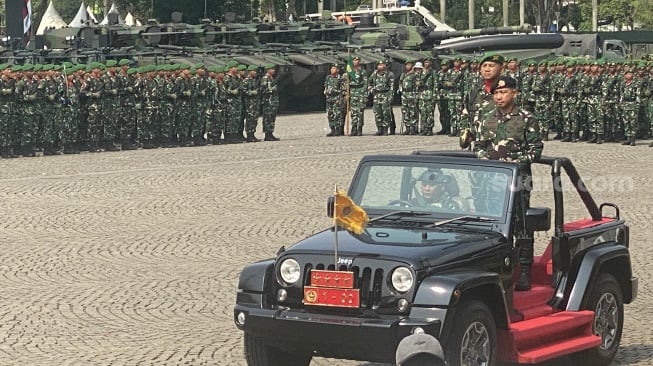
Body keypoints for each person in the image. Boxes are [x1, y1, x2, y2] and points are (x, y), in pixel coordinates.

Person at [473, 75, 543, 291]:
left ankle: (524, 271)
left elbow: (536, 150)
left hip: (518, 182)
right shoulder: (487, 117)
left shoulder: (526, 118)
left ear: (515, 93)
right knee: (491, 225)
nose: (499, 96)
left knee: (522, 225)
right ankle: (496, 267)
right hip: (491, 183)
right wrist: (483, 156)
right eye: (496, 93)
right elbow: (478, 144)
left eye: (503, 92)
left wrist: (513, 162)